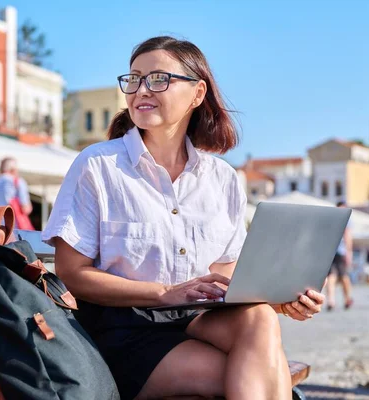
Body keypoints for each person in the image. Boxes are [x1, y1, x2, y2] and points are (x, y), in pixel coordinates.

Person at [42, 36, 324, 400]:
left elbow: (223, 277)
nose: (141, 89)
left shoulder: (223, 179)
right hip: (126, 331)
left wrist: (280, 300)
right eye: (134, 79)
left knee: (261, 319)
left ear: (197, 93)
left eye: (158, 79)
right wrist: (163, 293)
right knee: (258, 377)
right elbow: (71, 273)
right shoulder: (98, 166)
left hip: (199, 320)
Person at [0, 157, 34, 229]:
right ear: (13, 170)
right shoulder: (17, 182)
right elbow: (26, 209)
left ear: (1, 170)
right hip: (12, 230)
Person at [326, 201, 354, 310]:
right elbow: (348, 236)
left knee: (331, 277)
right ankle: (347, 299)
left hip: (331, 251)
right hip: (341, 252)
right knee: (344, 277)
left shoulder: (332, 219)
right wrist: (349, 253)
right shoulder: (346, 218)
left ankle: (331, 301)